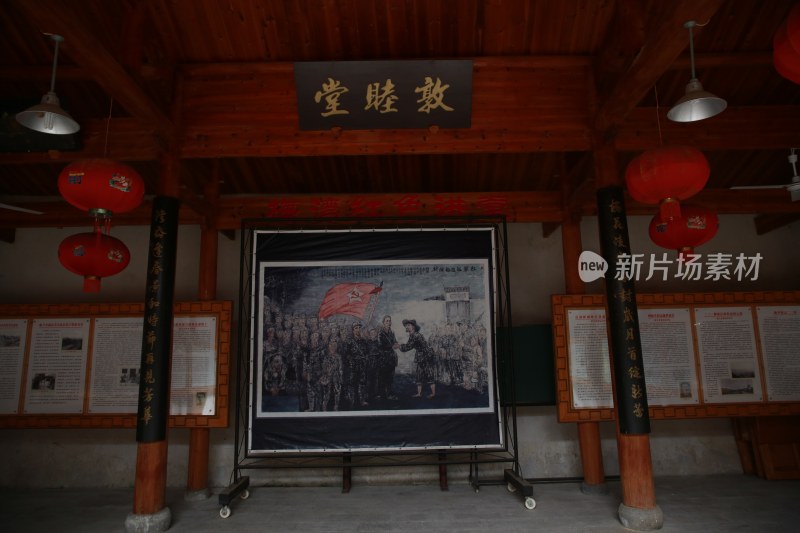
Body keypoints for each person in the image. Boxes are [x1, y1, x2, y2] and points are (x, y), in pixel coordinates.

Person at [399, 318, 437, 399]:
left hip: (426, 356)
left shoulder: (416, 335)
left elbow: (408, 346)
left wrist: (399, 346)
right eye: (406, 325)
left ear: (413, 327)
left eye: (408, 325)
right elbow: (408, 345)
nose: (406, 327)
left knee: (429, 375)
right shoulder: (412, 335)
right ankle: (419, 393)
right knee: (419, 375)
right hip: (420, 357)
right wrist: (401, 346)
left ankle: (433, 394)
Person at [376, 315, 399, 400]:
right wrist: (392, 346)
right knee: (382, 377)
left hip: (391, 358)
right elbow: (380, 345)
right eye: (387, 321)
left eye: (389, 321)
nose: (389, 323)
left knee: (390, 377)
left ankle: (389, 394)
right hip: (383, 358)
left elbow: (395, 341)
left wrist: (396, 344)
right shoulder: (380, 333)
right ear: (383, 323)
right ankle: (381, 394)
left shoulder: (392, 332)